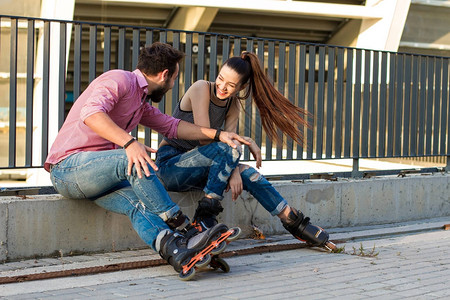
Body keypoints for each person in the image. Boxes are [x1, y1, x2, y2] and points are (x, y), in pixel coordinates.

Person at [44, 42, 251, 275]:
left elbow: (173, 127)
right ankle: (184, 227)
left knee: (139, 204)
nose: (173, 85)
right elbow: (91, 113)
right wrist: (130, 144)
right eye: (174, 79)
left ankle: (178, 251)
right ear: (164, 75)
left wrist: (219, 134)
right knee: (132, 160)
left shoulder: (140, 103)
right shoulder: (118, 80)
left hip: (100, 178)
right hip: (68, 169)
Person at [155, 51, 335, 250]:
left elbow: (228, 145)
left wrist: (235, 169)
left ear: (241, 87)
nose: (222, 87)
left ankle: (292, 220)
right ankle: (204, 218)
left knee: (248, 173)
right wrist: (240, 153)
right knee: (234, 155)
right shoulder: (201, 88)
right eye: (220, 79)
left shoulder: (233, 105)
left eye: (231, 85)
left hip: (201, 167)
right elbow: (205, 138)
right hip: (171, 165)